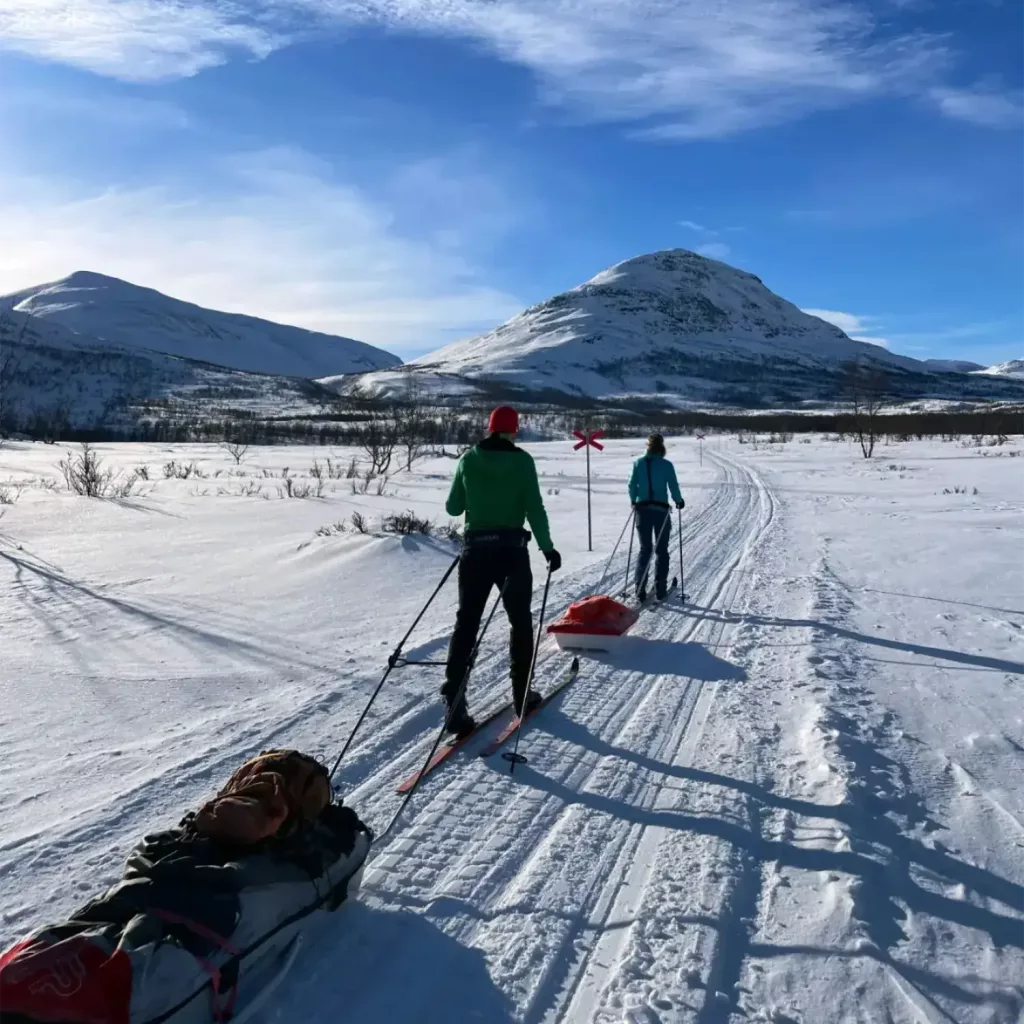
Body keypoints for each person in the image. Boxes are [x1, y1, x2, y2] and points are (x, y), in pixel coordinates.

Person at [443, 405, 562, 737]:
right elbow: (534, 507)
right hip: (512, 553)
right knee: (520, 621)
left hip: (475, 552)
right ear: (514, 430)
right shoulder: (523, 461)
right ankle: (522, 696)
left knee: (467, 622)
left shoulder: (468, 458)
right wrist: (547, 547)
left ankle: (454, 701)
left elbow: (453, 507)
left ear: (489, 428)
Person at [628, 433, 684, 602]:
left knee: (645, 549)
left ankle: (639, 588)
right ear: (662, 447)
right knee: (661, 550)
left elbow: (632, 485)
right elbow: (673, 486)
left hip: (641, 510)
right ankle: (660, 588)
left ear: (648, 446)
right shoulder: (666, 465)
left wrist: (633, 501)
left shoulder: (638, 463)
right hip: (661, 511)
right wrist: (679, 501)